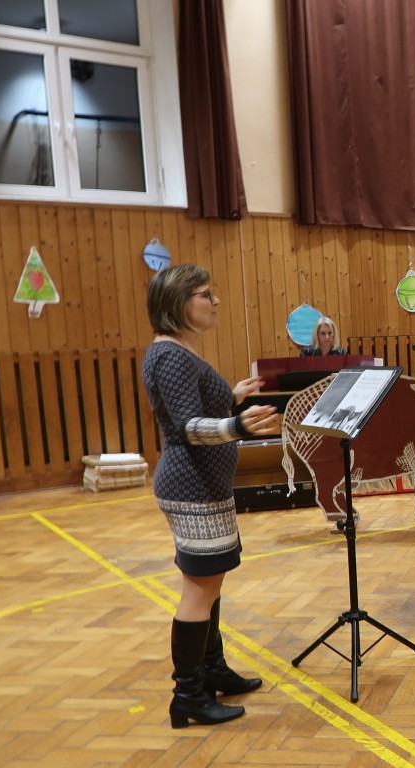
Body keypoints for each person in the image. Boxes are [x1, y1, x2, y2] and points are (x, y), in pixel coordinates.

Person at [142, 264, 281, 729]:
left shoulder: (179, 351)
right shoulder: (171, 356)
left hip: (204, 486)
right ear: (178, 303)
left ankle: (212, 669)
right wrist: (237, 424)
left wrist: (232, 395)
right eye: (205, 294)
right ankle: (188, 695)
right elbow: (186, 428)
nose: (215, 301)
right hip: (191, 487)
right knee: (199, 589)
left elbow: (194, 407)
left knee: (211, 584)